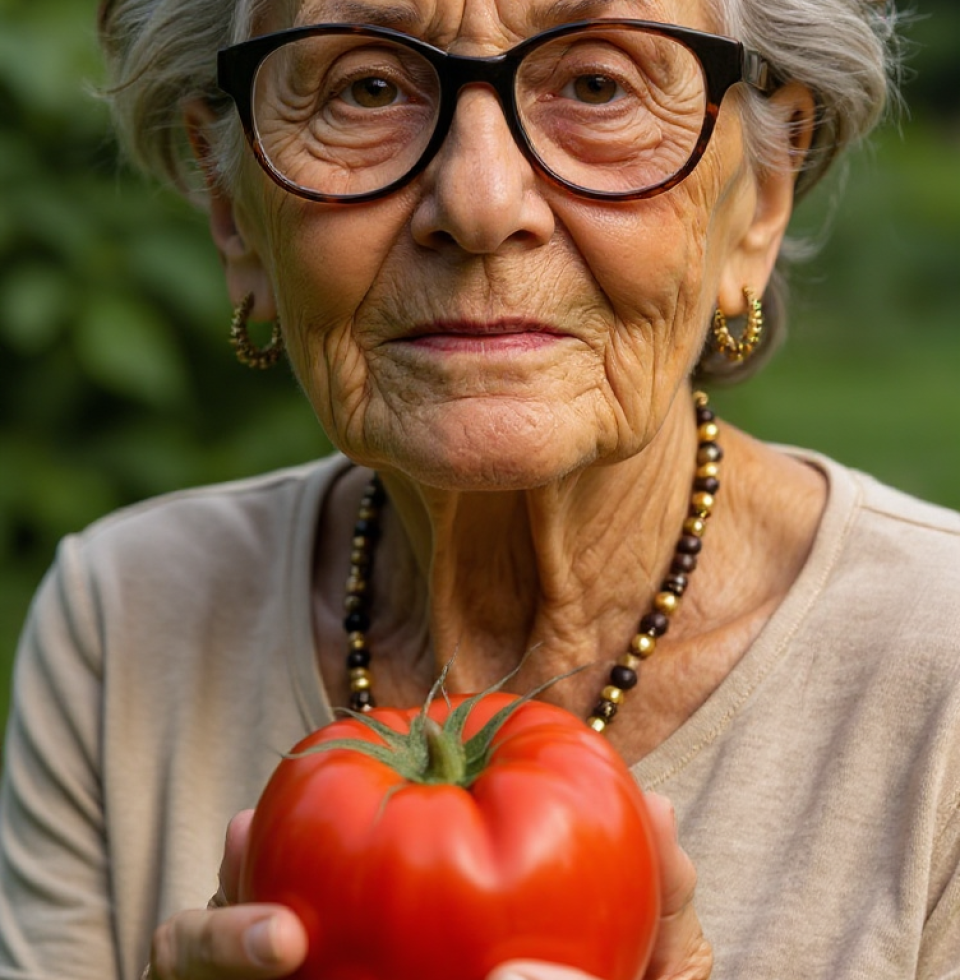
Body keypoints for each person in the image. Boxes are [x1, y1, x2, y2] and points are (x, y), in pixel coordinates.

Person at [1, 0, 958, 978]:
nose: (481, 201)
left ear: (762, 189)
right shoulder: (123, 622)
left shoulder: (943, 676)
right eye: (366, 89)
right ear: (230, 201)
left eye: (597, 85)